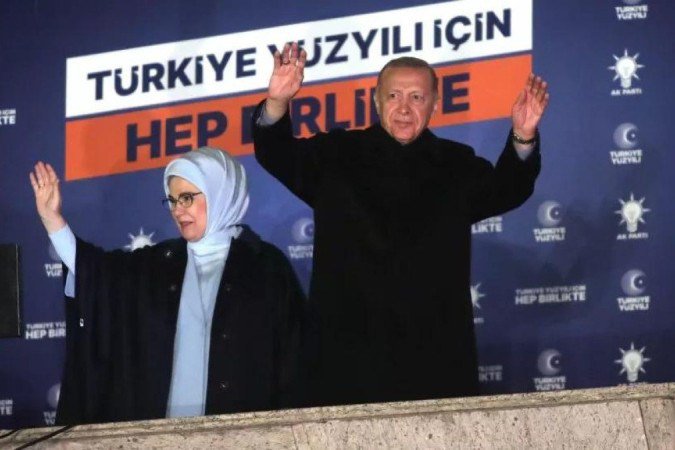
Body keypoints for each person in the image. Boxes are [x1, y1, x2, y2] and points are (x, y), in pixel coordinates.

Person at [252, 43, 549, 406]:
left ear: (435, 104)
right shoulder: (336, 157)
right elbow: (275, 152)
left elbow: (507, 189)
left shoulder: (455, 166)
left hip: (434, 365)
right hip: (343, 365)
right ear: (376, 102)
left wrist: (523, 134)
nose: (404, 108)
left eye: (416, 97)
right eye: (393, 95)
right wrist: (277, 102)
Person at [29, 147, 306, 425]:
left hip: (246, 435)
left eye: (187, 198)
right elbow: (98, 274)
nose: (177, 210)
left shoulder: (265, 266)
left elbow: (295, 363)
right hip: (163, 436)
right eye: (172, 200)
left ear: (219, 193)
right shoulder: (159, 263)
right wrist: (53, 220)